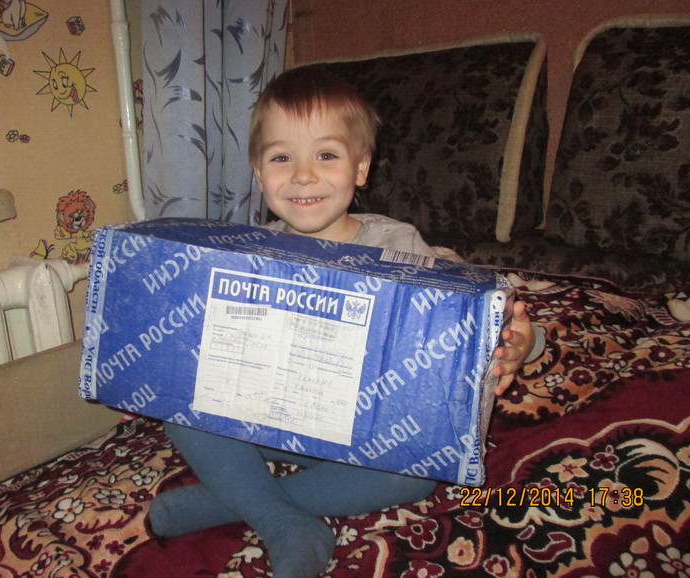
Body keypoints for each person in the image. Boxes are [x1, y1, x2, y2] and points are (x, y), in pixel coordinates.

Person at [149, 65, 543, 577]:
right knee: (177, 403)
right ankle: (274, 515)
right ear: (258, 173)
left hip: (359, 433)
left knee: (414, 473)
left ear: (361, 168)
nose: (303, 174)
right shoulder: (246, 253)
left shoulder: (398, 245)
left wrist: (521, 340)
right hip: (265, 415)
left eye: (326, 155)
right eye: (281, 157)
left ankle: (238, 507)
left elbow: (484, 306)